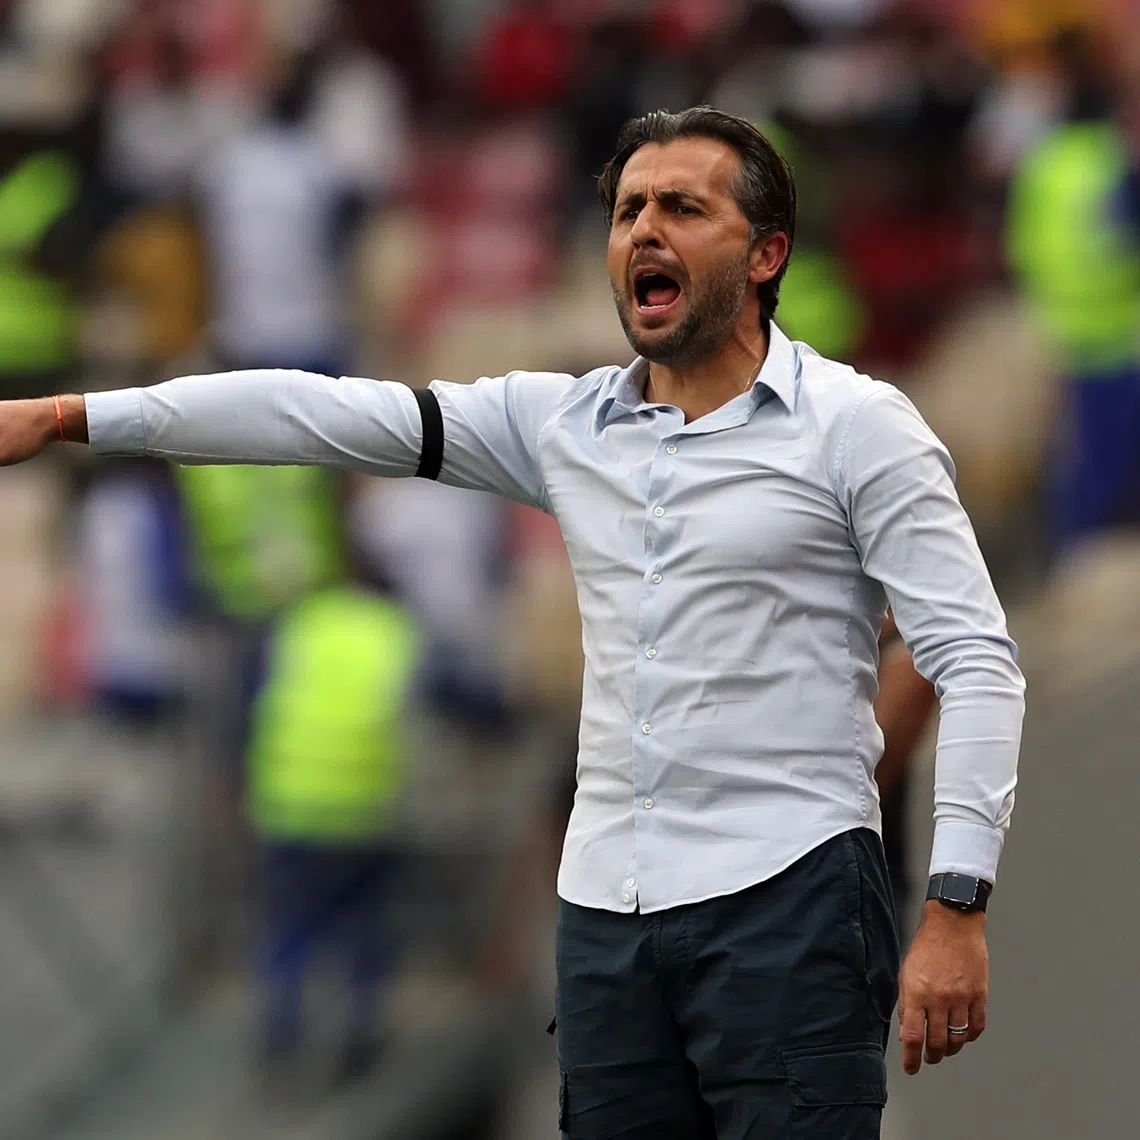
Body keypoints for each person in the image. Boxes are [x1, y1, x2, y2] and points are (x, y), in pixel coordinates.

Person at [1, 108, 1025, 1139]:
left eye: (682, 206)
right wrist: (74, 415)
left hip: (791, 901)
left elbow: (974, 656)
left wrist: (954, 905)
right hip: (607, 919)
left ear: (767, 254)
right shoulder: (563, 424)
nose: (644, 231)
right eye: (627, 210)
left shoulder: (857, 427)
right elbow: (318, 414)